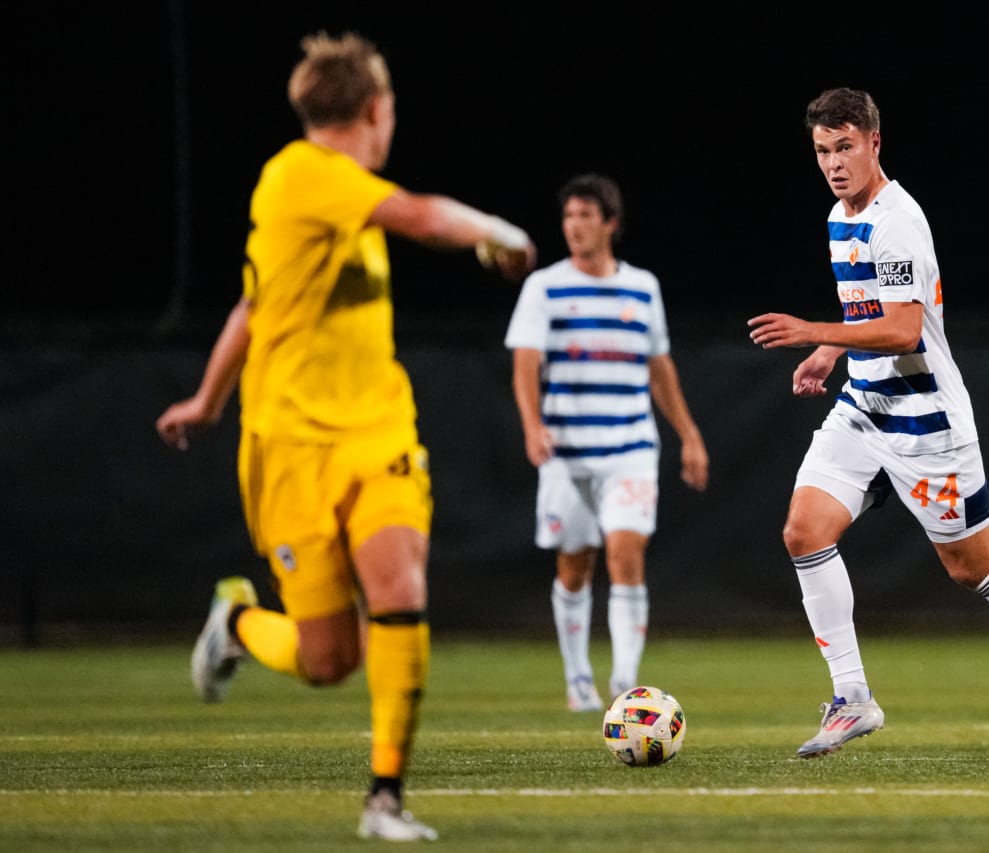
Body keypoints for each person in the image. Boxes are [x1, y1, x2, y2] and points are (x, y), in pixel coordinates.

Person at [155, 31, 536, 842]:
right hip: (291, 444)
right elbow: (422, 216)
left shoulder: (333, 203)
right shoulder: (303, 175)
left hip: (378, 430)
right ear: (374, 108)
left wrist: (202, 398)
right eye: (390, 107)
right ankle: (237, 625)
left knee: (400, 589)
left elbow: (252, 307)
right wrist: (500, 232)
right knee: (329, 658)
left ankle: (384, 799)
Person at [747, 87, 989, 762]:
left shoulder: (897, 221)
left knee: (971, 565)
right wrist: (832, 348)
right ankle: (852, 696)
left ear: (874, 143)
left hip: (926, 420)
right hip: (865, 407)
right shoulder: (838, 216)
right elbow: (869, 309)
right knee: (803, 530)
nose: (834, 163)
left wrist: (810, 331)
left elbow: (907, 326)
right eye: (824, 150)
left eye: (846, 147)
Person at [504, 173, 709, 712]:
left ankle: (623, 681)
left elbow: (659, 367)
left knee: (626, 552)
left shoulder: (642, 287)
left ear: (610, 224)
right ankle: (578, 679)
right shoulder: (544, 287)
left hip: (629, 448)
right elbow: (525, 363)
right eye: (568, 217)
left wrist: (688, 435)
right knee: (575, 566)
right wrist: (532, 425)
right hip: (567, 452)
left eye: (585, 216)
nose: (574, 226)